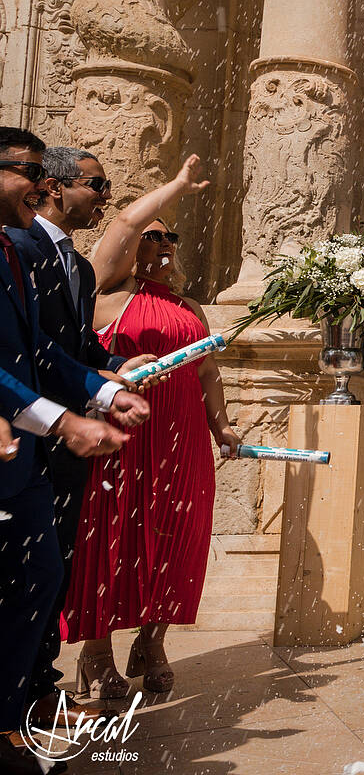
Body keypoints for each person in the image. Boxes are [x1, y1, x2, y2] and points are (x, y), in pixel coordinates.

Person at [0, 127, 148, 775]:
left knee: (40, 578)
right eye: (28, 171)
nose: (41, 185)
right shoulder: (24, 248)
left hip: (29, 451)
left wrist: (102, 387)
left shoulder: (16, 255)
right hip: (25, 442)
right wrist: (63, 422)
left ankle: (18, 714)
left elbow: (45, 353)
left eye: (43, 172)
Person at [63, 155, 239, 697]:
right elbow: (120, 225)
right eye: (152, 235)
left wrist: (223, 428)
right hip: (126, 434)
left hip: (182, 439)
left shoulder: (188, 306)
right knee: (114, 537)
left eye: (172, 238)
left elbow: (207, 371)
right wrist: (176, 188)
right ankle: (96, 655)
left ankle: (152, 640)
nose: (163, 245)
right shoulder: (107, 290)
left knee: (175, 538)